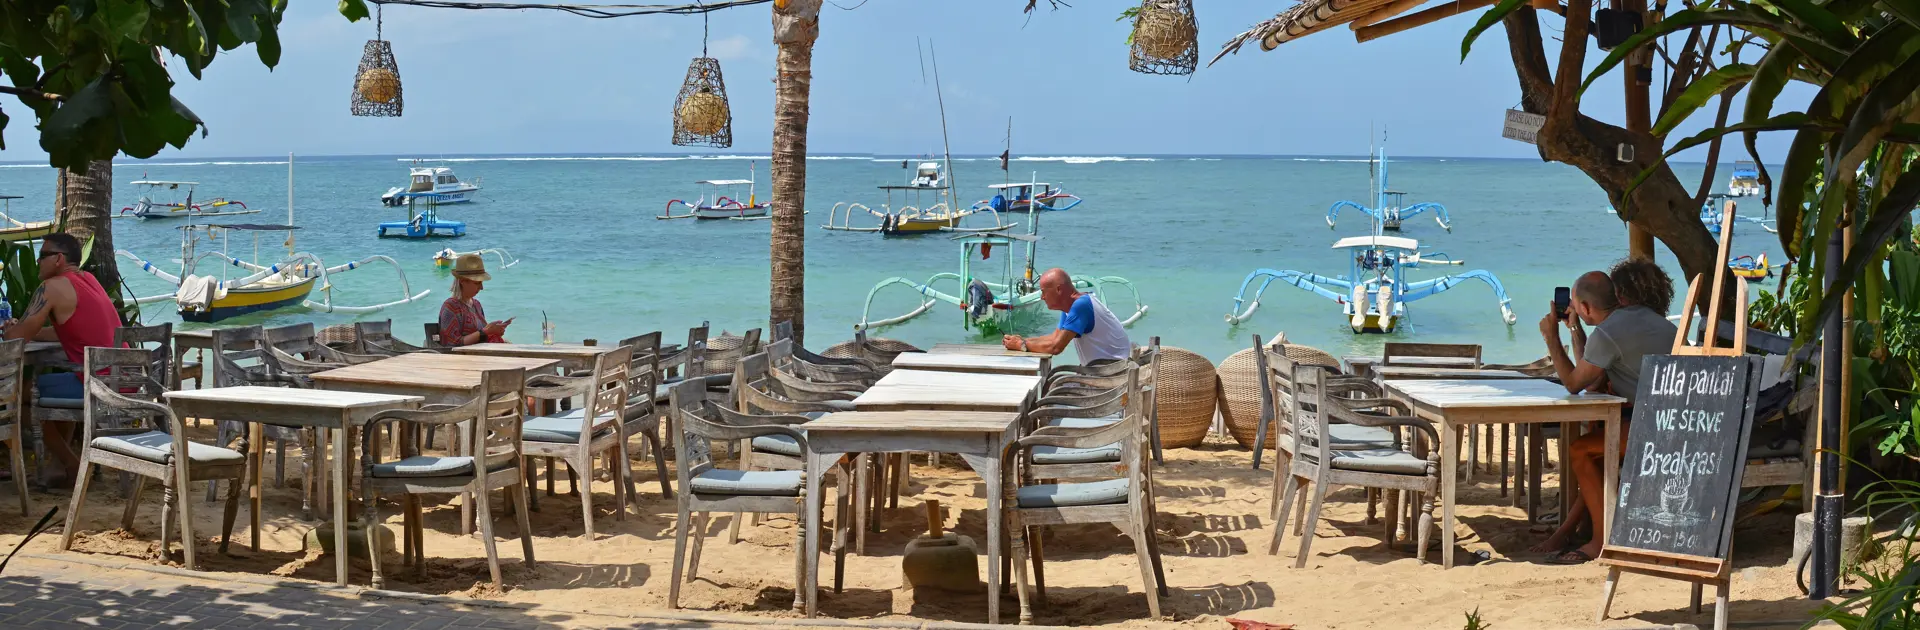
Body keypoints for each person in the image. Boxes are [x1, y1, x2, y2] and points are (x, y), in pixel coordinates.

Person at [1531, 259, 1677, 564]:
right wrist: (1574, 329)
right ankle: (1570, 529)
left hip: (1655, 430)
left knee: (1582, 451)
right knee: (1596, 446)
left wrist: (1551, 339)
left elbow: (1574, 383)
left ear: (1584, 307)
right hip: (1678, 422)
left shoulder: (1609, 332)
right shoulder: (1652, 319)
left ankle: (1600, 540)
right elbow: (1594, 378)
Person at [3, 234, 120, 485]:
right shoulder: (89, 279)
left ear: (58, 259)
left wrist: (11, 327)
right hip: (120, 379)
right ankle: (61, 467)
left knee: (15, 400)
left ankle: (72, 465)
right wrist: (27, 331)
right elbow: (64, 331)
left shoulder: (52, 287)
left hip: (96, 384)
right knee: (56, 385)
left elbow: (15, 340)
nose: (38, 261)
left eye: (43, 256)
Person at [1001, 268, 1131, 364]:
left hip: (1114, 368)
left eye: (1044, 292)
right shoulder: (1070, 307)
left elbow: (1056, 347)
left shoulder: (1081, 305)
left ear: (1058, 289)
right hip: (1102, 367)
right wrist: (1023, 340)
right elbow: (1055, 337)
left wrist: (1021, 345)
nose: (1042, 297)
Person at [439, 253, 510, 347]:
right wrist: (485, 331)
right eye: (477, 283)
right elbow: (452, 344)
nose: (481, 287)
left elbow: (482, 336)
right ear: (463, 281)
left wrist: (493, 331)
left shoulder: (476, 304)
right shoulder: (451, 306)